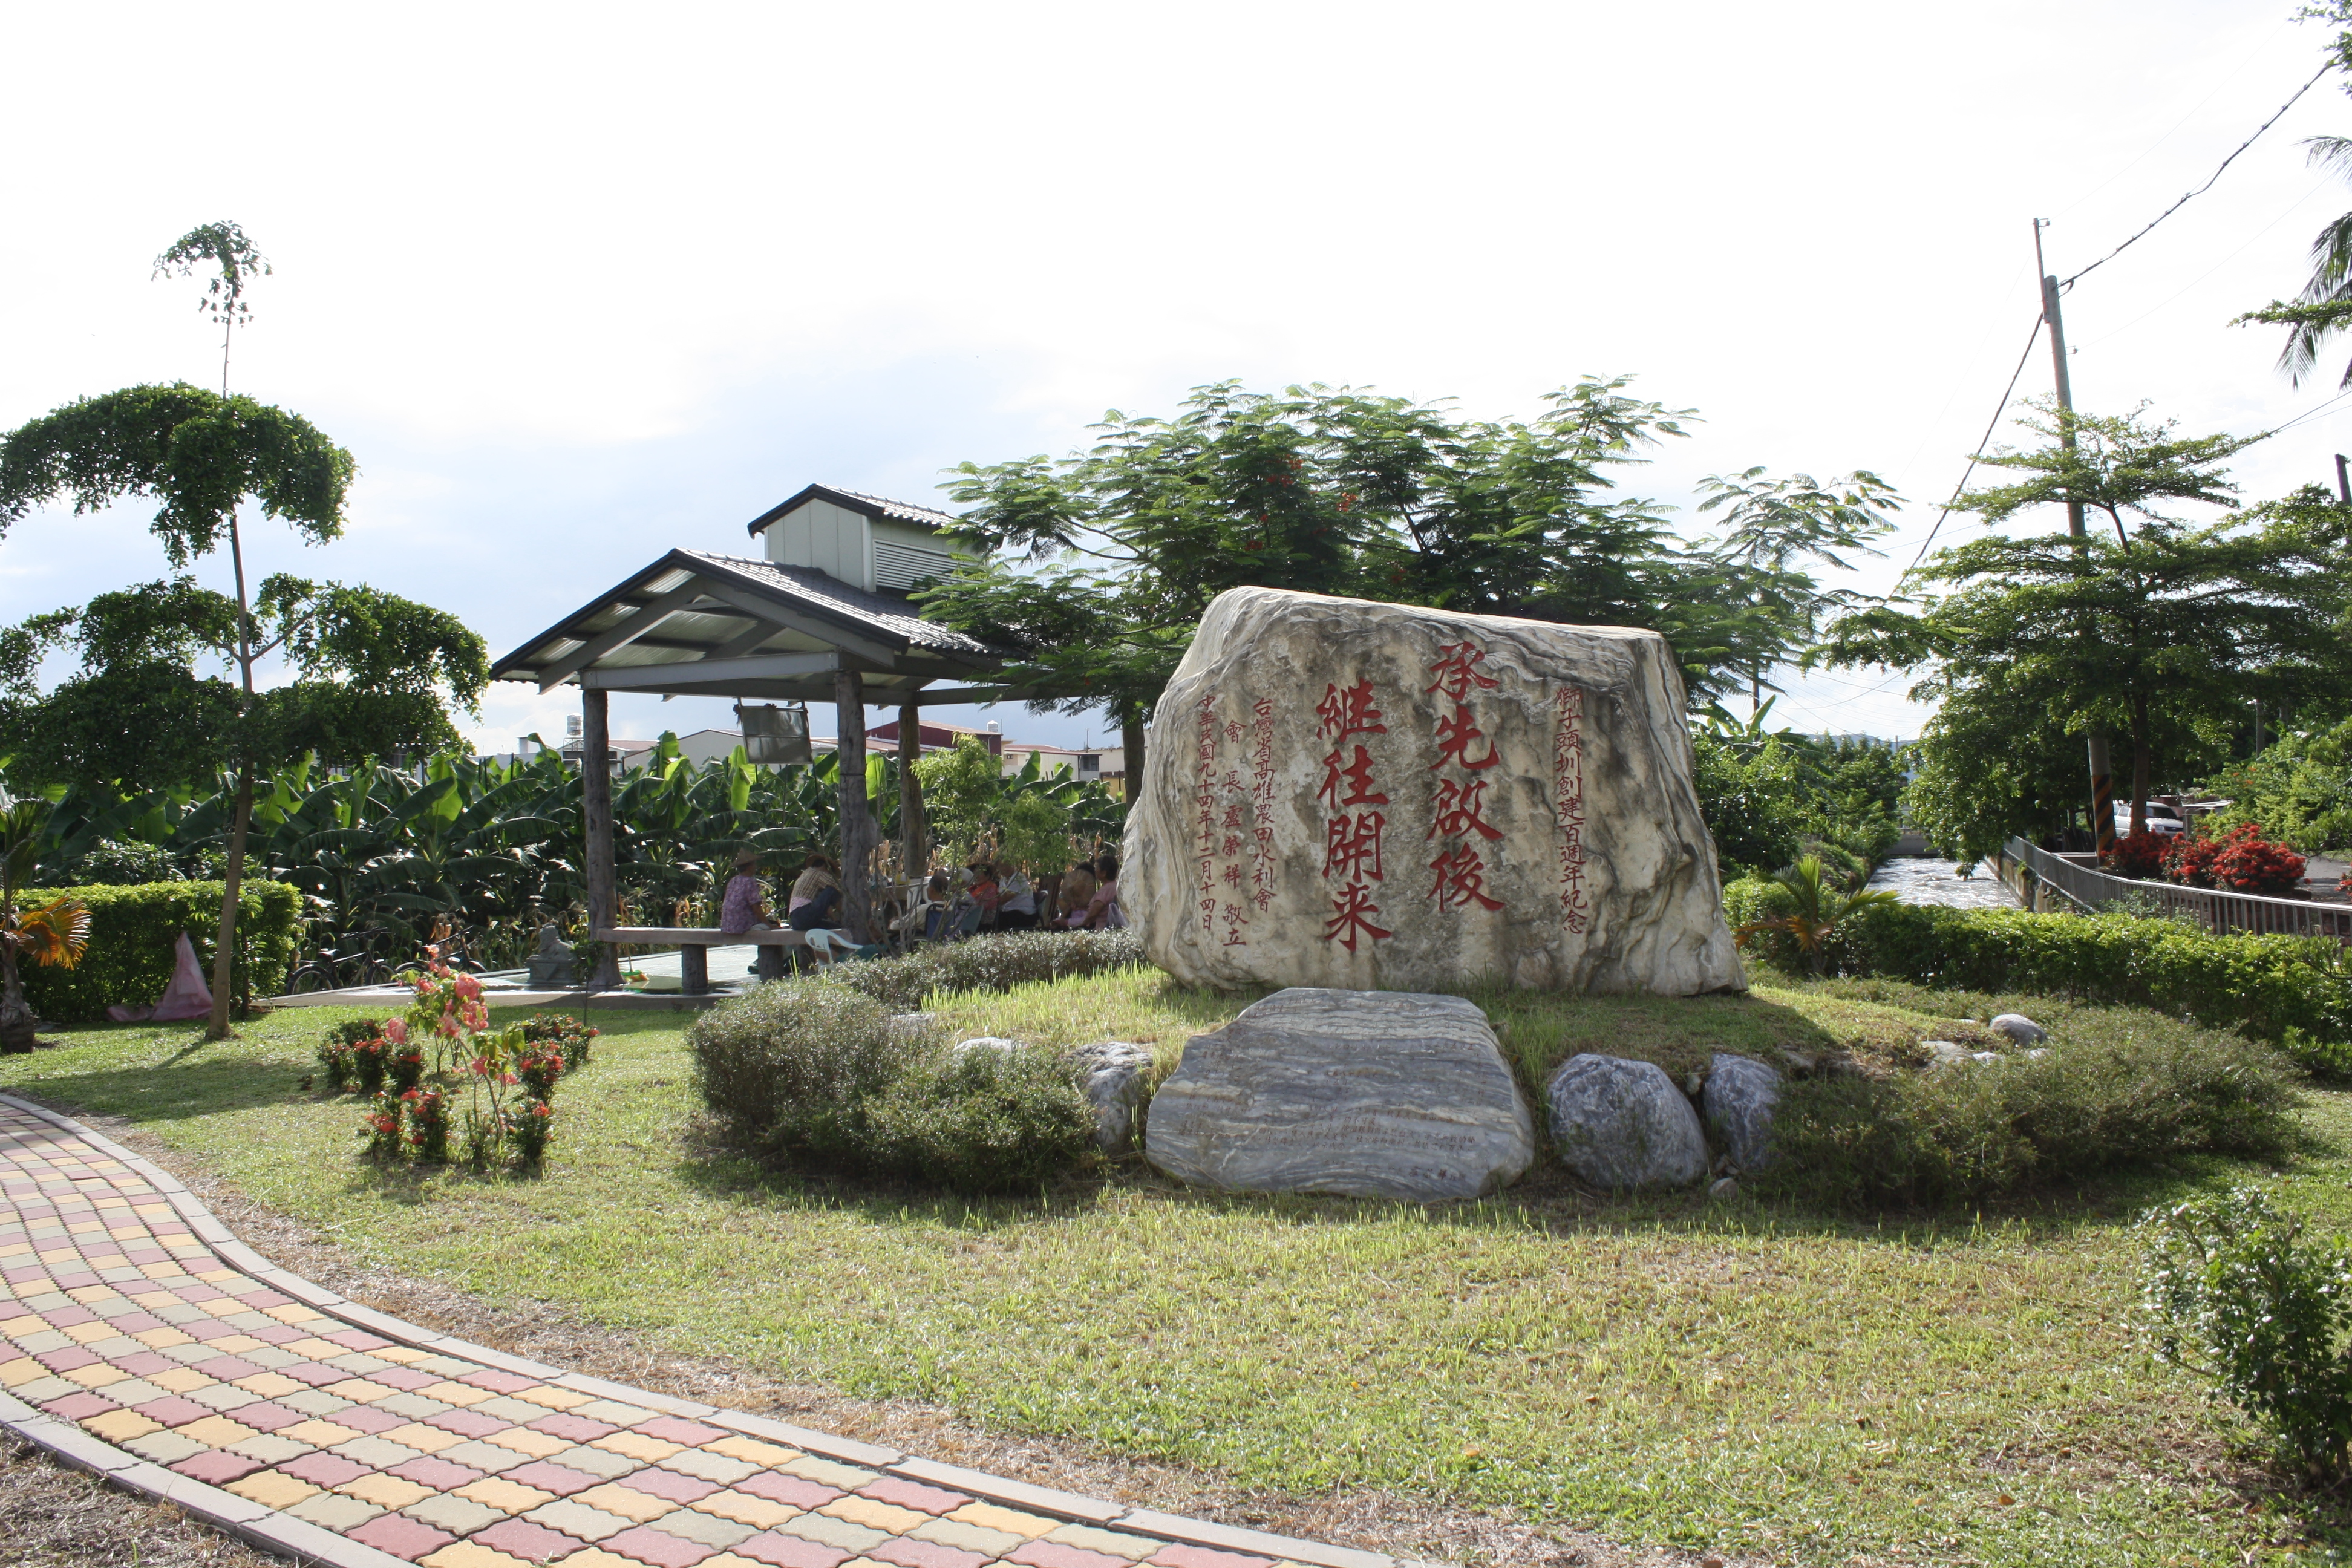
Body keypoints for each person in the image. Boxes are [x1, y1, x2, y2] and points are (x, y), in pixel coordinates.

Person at [718, 849, 786, 981]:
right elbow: (756, 907)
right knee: (775, 930)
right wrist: (769, 925)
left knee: (771, 925)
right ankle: (772, 969)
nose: (756, 867)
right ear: (749, 866)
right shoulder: (750, 881)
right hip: (742, 925)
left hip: (728, 925)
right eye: (754, 864)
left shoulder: (734, 880)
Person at [1069, 853, 1123, 929]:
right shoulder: (1115, 886)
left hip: (1102, 930)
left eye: (1096, 868)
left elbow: (1093, 915)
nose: (1094, 870)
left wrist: (1079, 927)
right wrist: (1081, 908)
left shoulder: (1105, 890)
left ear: (1104, 873)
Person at [788, 854, 841, 929]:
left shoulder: (805, 874)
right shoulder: (818, 873)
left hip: (796, 920)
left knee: (836, 927)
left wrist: (835, 920)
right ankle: (847, 915)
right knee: (831, 890)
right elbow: (837, 888)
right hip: (804, 913)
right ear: (824, 867)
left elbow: (826, 904)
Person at [995, 864, 1037, 931]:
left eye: (1008, 864)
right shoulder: (1003, 880)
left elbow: (1005, 898)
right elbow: (999, 896)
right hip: (1010, 912)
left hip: (1023, 914)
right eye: (1001, 865)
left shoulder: (1018, 878)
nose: (1005, 868)